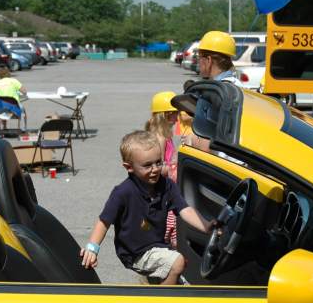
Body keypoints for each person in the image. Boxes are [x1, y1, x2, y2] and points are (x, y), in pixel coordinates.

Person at [80, 130, 213, 285]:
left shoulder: (166, 185)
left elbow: (185, 209)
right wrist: (92, 248)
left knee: (183, 285)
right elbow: (104, 221)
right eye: (147, 165)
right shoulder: (123, 192)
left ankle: (161, 293)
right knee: (177, 262)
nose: (155, 169)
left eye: (158, 162)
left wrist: (206, 226)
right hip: (135, 252)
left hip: (157, 246)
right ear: (129, 167)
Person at [145, 91, 180, 247]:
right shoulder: (159, 137)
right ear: (166, 114)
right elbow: (156, 167)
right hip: (161, 189)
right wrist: (175, 165)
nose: (178, 115)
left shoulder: (166, 134)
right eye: (175, 112)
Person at [0, 66, 27, 135]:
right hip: (14, 110)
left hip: (0, 110)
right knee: (23, 110)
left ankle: (3, 127)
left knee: (2, 106)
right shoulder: (14, 81)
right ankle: (23, 129)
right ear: (8, 73)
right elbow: (24, 91)